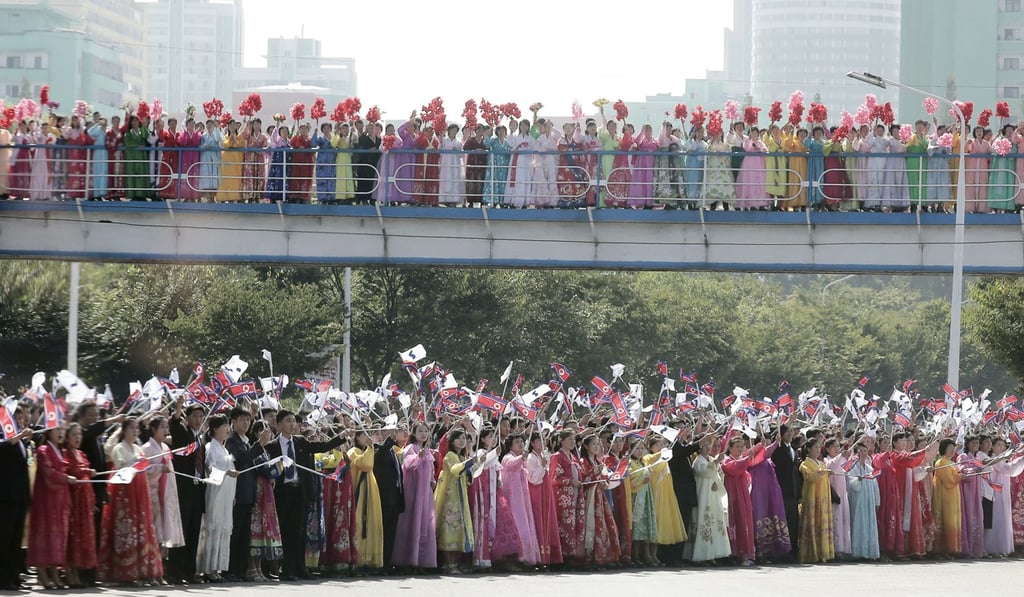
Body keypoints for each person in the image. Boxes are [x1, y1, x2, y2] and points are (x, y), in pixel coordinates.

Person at [265, 409, 345, 580]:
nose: (292, 424)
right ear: (278, 424)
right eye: (288, 421)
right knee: (284, 531)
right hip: (281, 492)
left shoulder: (300, 441)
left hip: (299, 491)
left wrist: (341, 436)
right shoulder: (272, 446)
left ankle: (299, 568)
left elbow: (321, 447)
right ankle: (284, 569)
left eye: (293, 421)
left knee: (298, 532)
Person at [98, 417, 164, 585]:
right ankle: (125, 572)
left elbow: (145, 467)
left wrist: (151, 466)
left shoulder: (137, 448)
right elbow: (120, 467)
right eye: (131, 428)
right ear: (124, 430)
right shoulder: (119, 448)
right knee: (125, 531)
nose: (135, 431)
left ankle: (143, 571)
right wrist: (136, 463)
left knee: (142, 529)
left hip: (139, 493)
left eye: (137, 429)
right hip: (124, 493)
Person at [224, 407, 271, 581]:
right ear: (233, 422)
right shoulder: (232, 441)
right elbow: (243, 459)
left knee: (244, 534)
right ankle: (230, 569)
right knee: (235, 533)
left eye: (247, 419)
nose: (245, 423)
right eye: (241, 419)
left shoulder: (246, 441)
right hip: (237, 493)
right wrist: (259, 444)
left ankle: (241, 569)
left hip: (249, 492)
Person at [28, 426, 73, 590]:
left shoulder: (60, 451)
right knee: (44, 535)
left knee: (58, 537)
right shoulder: (43, 450)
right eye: (57, 430)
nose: (61, 433)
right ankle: (43, 574)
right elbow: (48, 473)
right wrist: (66, 478)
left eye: (62, 430)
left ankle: (54, 573)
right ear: (49, 432)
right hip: (46, 499)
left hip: (59, 499)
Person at [196, 414, 239, 582]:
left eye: (228, 426)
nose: (227, 429)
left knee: (223, 529)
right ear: (215, 429)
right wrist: (226, 472)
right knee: (212, 528)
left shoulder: (225, 449)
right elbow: (210, 469)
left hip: (226, 495)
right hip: (215, 493)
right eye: (224, 426)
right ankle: (207, 568)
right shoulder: (210, 447)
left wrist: (233, 495)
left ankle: (217, 568)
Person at [167, 401, 206, 585]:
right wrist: (177, 412)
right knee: (181, 531)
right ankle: (175, 571)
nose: (198, 420)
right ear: (188, 419)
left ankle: (189, 571)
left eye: (201, 416)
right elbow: (174, 427)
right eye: (195, 416)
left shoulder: (200, 439)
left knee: (193, 532)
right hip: (184, 489)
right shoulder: (184, 434)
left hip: (197, 489)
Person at [392, 422, 435, 570]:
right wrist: (418, 457)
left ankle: (422, 561)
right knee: (412, 522)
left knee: (425, 523)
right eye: (420, 431)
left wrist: (432, 480)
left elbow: (431, 469)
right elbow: (408, 465)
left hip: (426, 493)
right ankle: (407, 560)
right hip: (413, 491)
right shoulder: (411, 448)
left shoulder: (427, 450)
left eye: (426, 431)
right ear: (414, 434)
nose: (423, 434)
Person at [141, 417, 184, 557]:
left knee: (165, 530)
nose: (166, 431)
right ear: (153, 429)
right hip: (153, 493)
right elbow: (142, 469)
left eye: (167, 427)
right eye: (162, 427)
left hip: (167, 492)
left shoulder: (165, 447)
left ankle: (160, 568)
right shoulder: (146, 448)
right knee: (154, 530)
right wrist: (159, 468)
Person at [435, 427, 474, 573]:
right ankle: (448, 564)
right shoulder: (450, 455)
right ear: (452, 441)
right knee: (449, 527)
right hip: (450, 497)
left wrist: (474, 465)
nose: (462, 441)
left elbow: (468, 478)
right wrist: (470, 463)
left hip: (460, 496)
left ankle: (454, 564)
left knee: (458, 529)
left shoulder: (462, 456)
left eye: (464, 438)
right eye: (459, 438)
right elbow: (456, 470)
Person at [248, 419, 283, 579]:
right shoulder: (254, 449)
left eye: (268, 430)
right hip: (257, 492)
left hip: (267, 492)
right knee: (255, 528)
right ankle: (251, 567)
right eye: (262, 430)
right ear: (256, 433)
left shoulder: (266, 451)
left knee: (264, 529)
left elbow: (274, 470)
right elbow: (262, 470)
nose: (267, 433)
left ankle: (260, 567)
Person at [64, 423, 98, 587]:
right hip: (73, 501)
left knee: (82, 537)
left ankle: (77, 573)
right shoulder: (65, 454)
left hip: (84, 502)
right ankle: (69, 574)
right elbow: (70, 473)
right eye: (73, 434)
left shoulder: (82, 454)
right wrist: (85, 472)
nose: (77, 437)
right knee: (72, 537)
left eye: (79, 434)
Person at [579, 435, 620, 566]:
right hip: (588, 497)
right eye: (594, 444)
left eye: (598, 444)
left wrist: (604, 483)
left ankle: (602, 556)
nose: (597, 447)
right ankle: (588, 556)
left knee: (602, 524)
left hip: (599, 496)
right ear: (586, 446)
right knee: (589, 524)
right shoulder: (583, 461)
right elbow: (583, 480)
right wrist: (595, 472)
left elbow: (604, 480)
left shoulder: (598, 461)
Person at [722, 436, 763, 565]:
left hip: (743, 495)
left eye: (741, 446)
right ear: (730, 448)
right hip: (732, 495)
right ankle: (733, 554)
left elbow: (759, 455)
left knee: (745, 521)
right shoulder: (727, 460)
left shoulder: (742, 459)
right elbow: (734, 468)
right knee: (734, 521)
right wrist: (747, 457)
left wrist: (763, 444)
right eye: (737, 447)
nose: (740, 449)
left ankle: (746, 554)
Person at [691, 434, 732, 563]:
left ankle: (713, 552)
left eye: (711, 444)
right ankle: (702, 554)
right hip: (703, 494)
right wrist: (715, 462)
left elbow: (717, 474)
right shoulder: (698, 460)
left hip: (713, 495)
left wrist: (717, 482)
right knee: (704, 520)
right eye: (707, 444)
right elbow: (704, 471)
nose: (709, 447)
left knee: (714, 521)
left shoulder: (710, 458)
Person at [347, 430, 384, 569]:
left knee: (371, 524)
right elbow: (365, 465)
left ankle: (370, 560)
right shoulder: (353, 451)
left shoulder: (365, 450)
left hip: (370, 492)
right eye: (364, 435)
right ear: (356, 437)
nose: (368, 438)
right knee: (360, 524)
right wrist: (370, 448)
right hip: (360, 493)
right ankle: (358, 560)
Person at [525, 431, 562, 566]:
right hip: (536, 492)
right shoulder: (531, 458)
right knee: (538, 520)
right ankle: (539, 557)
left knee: (547, 520)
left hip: (545, 491)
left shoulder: (543, 455)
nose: (542, 442)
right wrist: (542, 465)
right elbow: (533, 479)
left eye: (543, 439)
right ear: (532, 443)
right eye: (538, 440)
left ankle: (549, 557)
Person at [798, 438, 834, 564]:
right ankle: (812, 553)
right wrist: (822, 472)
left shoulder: (822, 463)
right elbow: (809, 477)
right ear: (808, 449)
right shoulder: (805, 464)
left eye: (819, 448)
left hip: (823, 497)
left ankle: (823, 552)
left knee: (822, 523)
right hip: (812, 497)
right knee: (813, 523)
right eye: (815, 448)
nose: (818, 450)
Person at [373, 429, 405, 569]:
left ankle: (387, 561)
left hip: (394, 497)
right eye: (378, 434)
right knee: (384, 531)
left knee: (391, 532)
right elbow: (381, 452)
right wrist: (390, 438)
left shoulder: (392, 450)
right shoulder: (376, 450)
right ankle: (381, 563)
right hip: (383, 497)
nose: (380, 436)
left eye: (382, 433)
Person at [846, 442, 880, 560]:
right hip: (858, 499)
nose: (863, 453)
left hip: (869, 500)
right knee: (859, 522)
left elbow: (875, 486)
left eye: (865, 451)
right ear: (856, 453)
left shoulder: (870, 469)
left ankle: (870, 552)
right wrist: (858, 480)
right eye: (860, 451)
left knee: (870, 523)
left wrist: (877, 501)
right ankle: (858, 551)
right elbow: (850, 483)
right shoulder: (853, 468)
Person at [771, 424, 801, 558]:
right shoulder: (778, 448)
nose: (790, 434)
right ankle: (783, 552)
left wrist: (799, 493)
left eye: (791, 431)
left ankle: (793, 550)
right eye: (787, 432)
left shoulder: (793, 449)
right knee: (784, 522)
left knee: (793, 522)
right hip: (782, 489)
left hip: (793, 491)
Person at [932, 438, 962, 557]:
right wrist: (960, 477)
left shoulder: (951, 462)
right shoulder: (940, 462)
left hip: (953, 495)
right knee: (945, 520)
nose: (952, 451)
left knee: (953, 520)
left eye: (953, 449)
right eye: (950, 449)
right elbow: (948, 481)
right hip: (944, 496)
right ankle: (941, 550)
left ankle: (952, 548)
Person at [824, 438, 852, 558]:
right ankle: (835, 549)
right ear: (827, 449)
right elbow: (831, 466)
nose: (836, 448)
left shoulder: (841, 459)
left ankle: (844, 548)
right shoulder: (826, 460)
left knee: (844, 520)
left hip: (843, 494)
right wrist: (841, 455)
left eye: (837, 446)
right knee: (835, 521)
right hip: (833, 494)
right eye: (833, 446)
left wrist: (847, 454)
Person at [736, 127, 770, 209]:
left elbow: (766, 150)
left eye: (756, 133)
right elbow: (747, 148)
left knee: (759, 182)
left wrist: (759, 149)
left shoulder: (760, 142)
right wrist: (751, 142)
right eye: (753, 133)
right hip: (749, 164)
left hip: (759, 164)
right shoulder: (747, 142)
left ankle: (761, 203)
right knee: (749, 181)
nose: (754, 135)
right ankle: (750, 203)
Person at [216, 120, 245, 202]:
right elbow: (224, 145)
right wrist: (230, 140)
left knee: (236, 178)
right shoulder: (225, 136)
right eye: (230, 125)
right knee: (226, 179)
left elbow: (240, 144)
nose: (232, 127)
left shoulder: (239, 136)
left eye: (234, 125)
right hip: (226, 160)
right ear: (228, 126)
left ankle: (236, 197)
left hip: (236, 160)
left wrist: (234, 139)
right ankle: (224, 198)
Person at [242, 119, 268, 201]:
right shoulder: (249, 135)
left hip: (259, 159)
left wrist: (259, 150)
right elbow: (243, 136)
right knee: (250, 177)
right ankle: (249, 196)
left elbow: (265, 146)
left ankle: (258, 196)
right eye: (255, 124)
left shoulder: (263, 136)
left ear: (260, 125)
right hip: (250, 159)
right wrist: (246, 125)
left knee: (259, 176)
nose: (256, 126)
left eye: (258, 124)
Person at [177, 118, 202, 200]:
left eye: (193, 124)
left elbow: (197, 142)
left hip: (194, 155)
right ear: (187, 125)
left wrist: (194, 134)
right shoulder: (183, 133)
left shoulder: (197, 134)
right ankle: (186, 195)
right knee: (185, 173)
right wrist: (186, 135)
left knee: (194, 173)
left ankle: (194, 195)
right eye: (190, 124)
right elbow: (182, 142)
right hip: (186, 155)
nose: (192, 125)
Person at [199, 119, 223, 200]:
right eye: (208, 124)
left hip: (214, 158)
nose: (209, 126)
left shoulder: (216, 134)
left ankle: (213, 196)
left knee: (214, 176)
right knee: (207, 176)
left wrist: (216, 128)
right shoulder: (203, 136)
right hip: (206, 158)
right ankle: (208, 196)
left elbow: (219, 139)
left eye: (211, 124)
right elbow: (199, 146)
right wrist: (205, 146)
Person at [331, 123, 356, 202]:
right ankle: (340, 197)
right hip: (341, 158)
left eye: (346, 128)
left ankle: (349, 196)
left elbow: (354, 145)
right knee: (341, 178)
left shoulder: (350, 137)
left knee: (348, 177)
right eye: (343, 128)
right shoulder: (338, 137)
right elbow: (333, 144)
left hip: (348, 159)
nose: (345, 130)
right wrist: (336, 134)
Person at [312, 123, 336, 201]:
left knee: (331, 180)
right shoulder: (320, 139)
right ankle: (322, 199)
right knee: (322, 181)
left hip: (331, 163)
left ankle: (331, 198)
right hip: (322, 163)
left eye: (328, 128)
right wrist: (315, 133)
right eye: (324, 128)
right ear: (322, 130)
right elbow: (313, 144)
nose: (326, 130)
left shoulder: (333, 139)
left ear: (330, 129)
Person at [87, 117, 109, 199]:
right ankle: (96, 193)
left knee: (104, 172)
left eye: (105, 121)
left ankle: (103, 193)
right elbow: (89, 133)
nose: (104, 123)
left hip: (105, 153)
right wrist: (97, 124)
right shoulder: (97, 129)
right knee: (97, 172)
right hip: (97, 153)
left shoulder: (108, 130)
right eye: (102, 121)